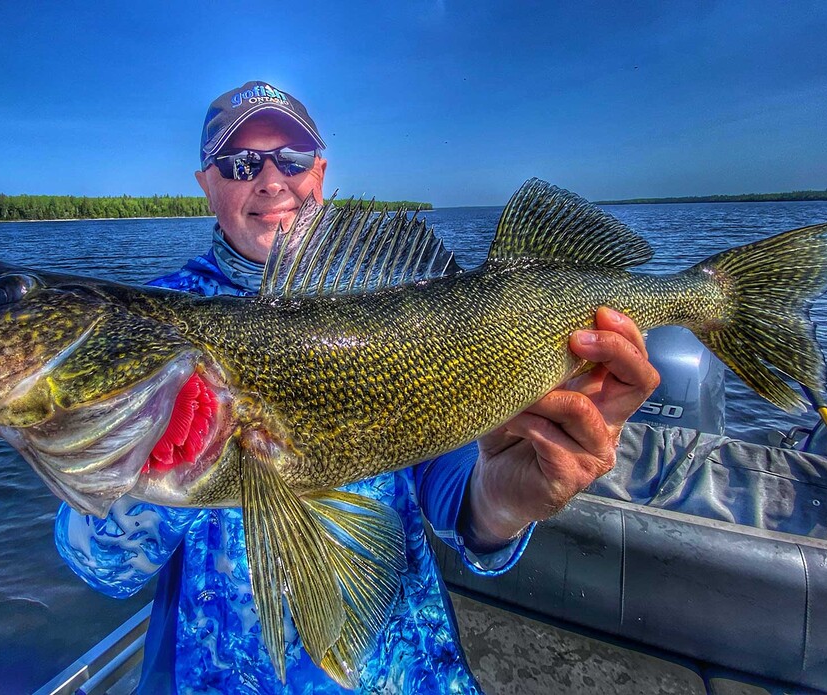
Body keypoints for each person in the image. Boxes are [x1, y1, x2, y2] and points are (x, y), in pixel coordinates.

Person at [55, 81, 660, 693]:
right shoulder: (149, 324)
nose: (271, 180)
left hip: (402, 669)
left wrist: (506, 502)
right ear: (206, 182)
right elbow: (99, 567)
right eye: (241, 163)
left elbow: (456, 498)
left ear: (320, 170)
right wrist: (144, 464)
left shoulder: (395, 302)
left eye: (291, 157)